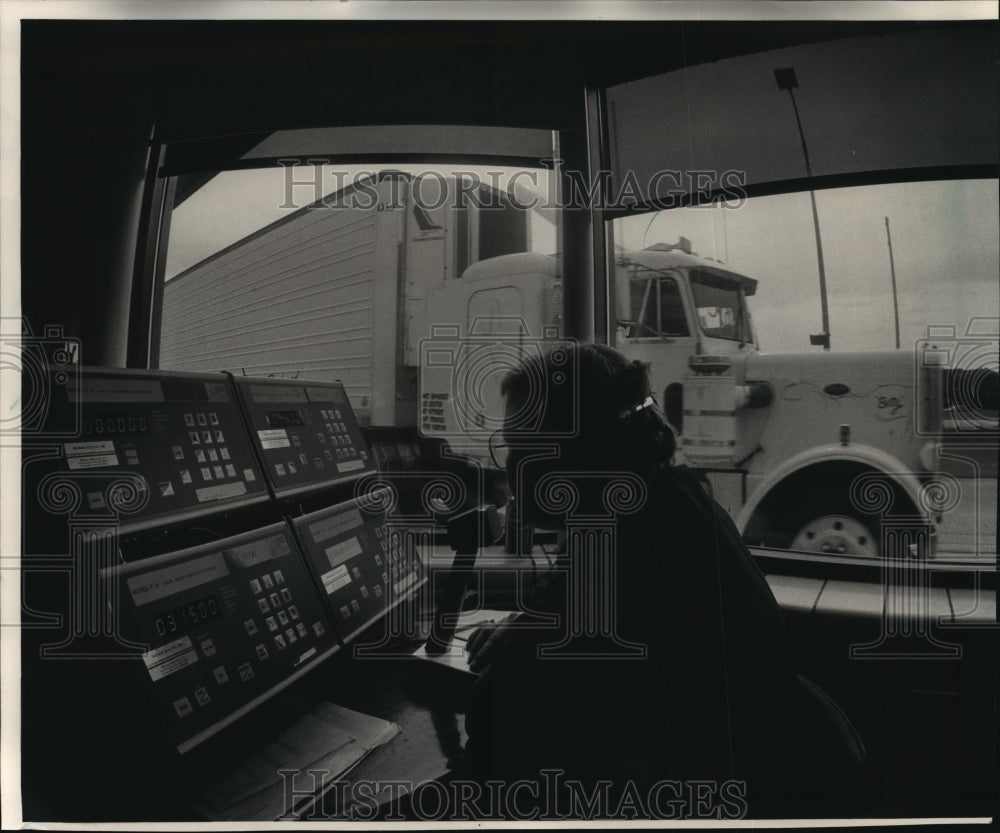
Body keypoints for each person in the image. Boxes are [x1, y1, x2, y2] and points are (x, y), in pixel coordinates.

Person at [457, 343, 801, 818]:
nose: (511, 468)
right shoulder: (668, 500)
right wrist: (522, 626)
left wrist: (518, 643)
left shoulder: (635, 538)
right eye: (510, 446)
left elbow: (502, 702)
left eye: (529, 448)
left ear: (591, 449)